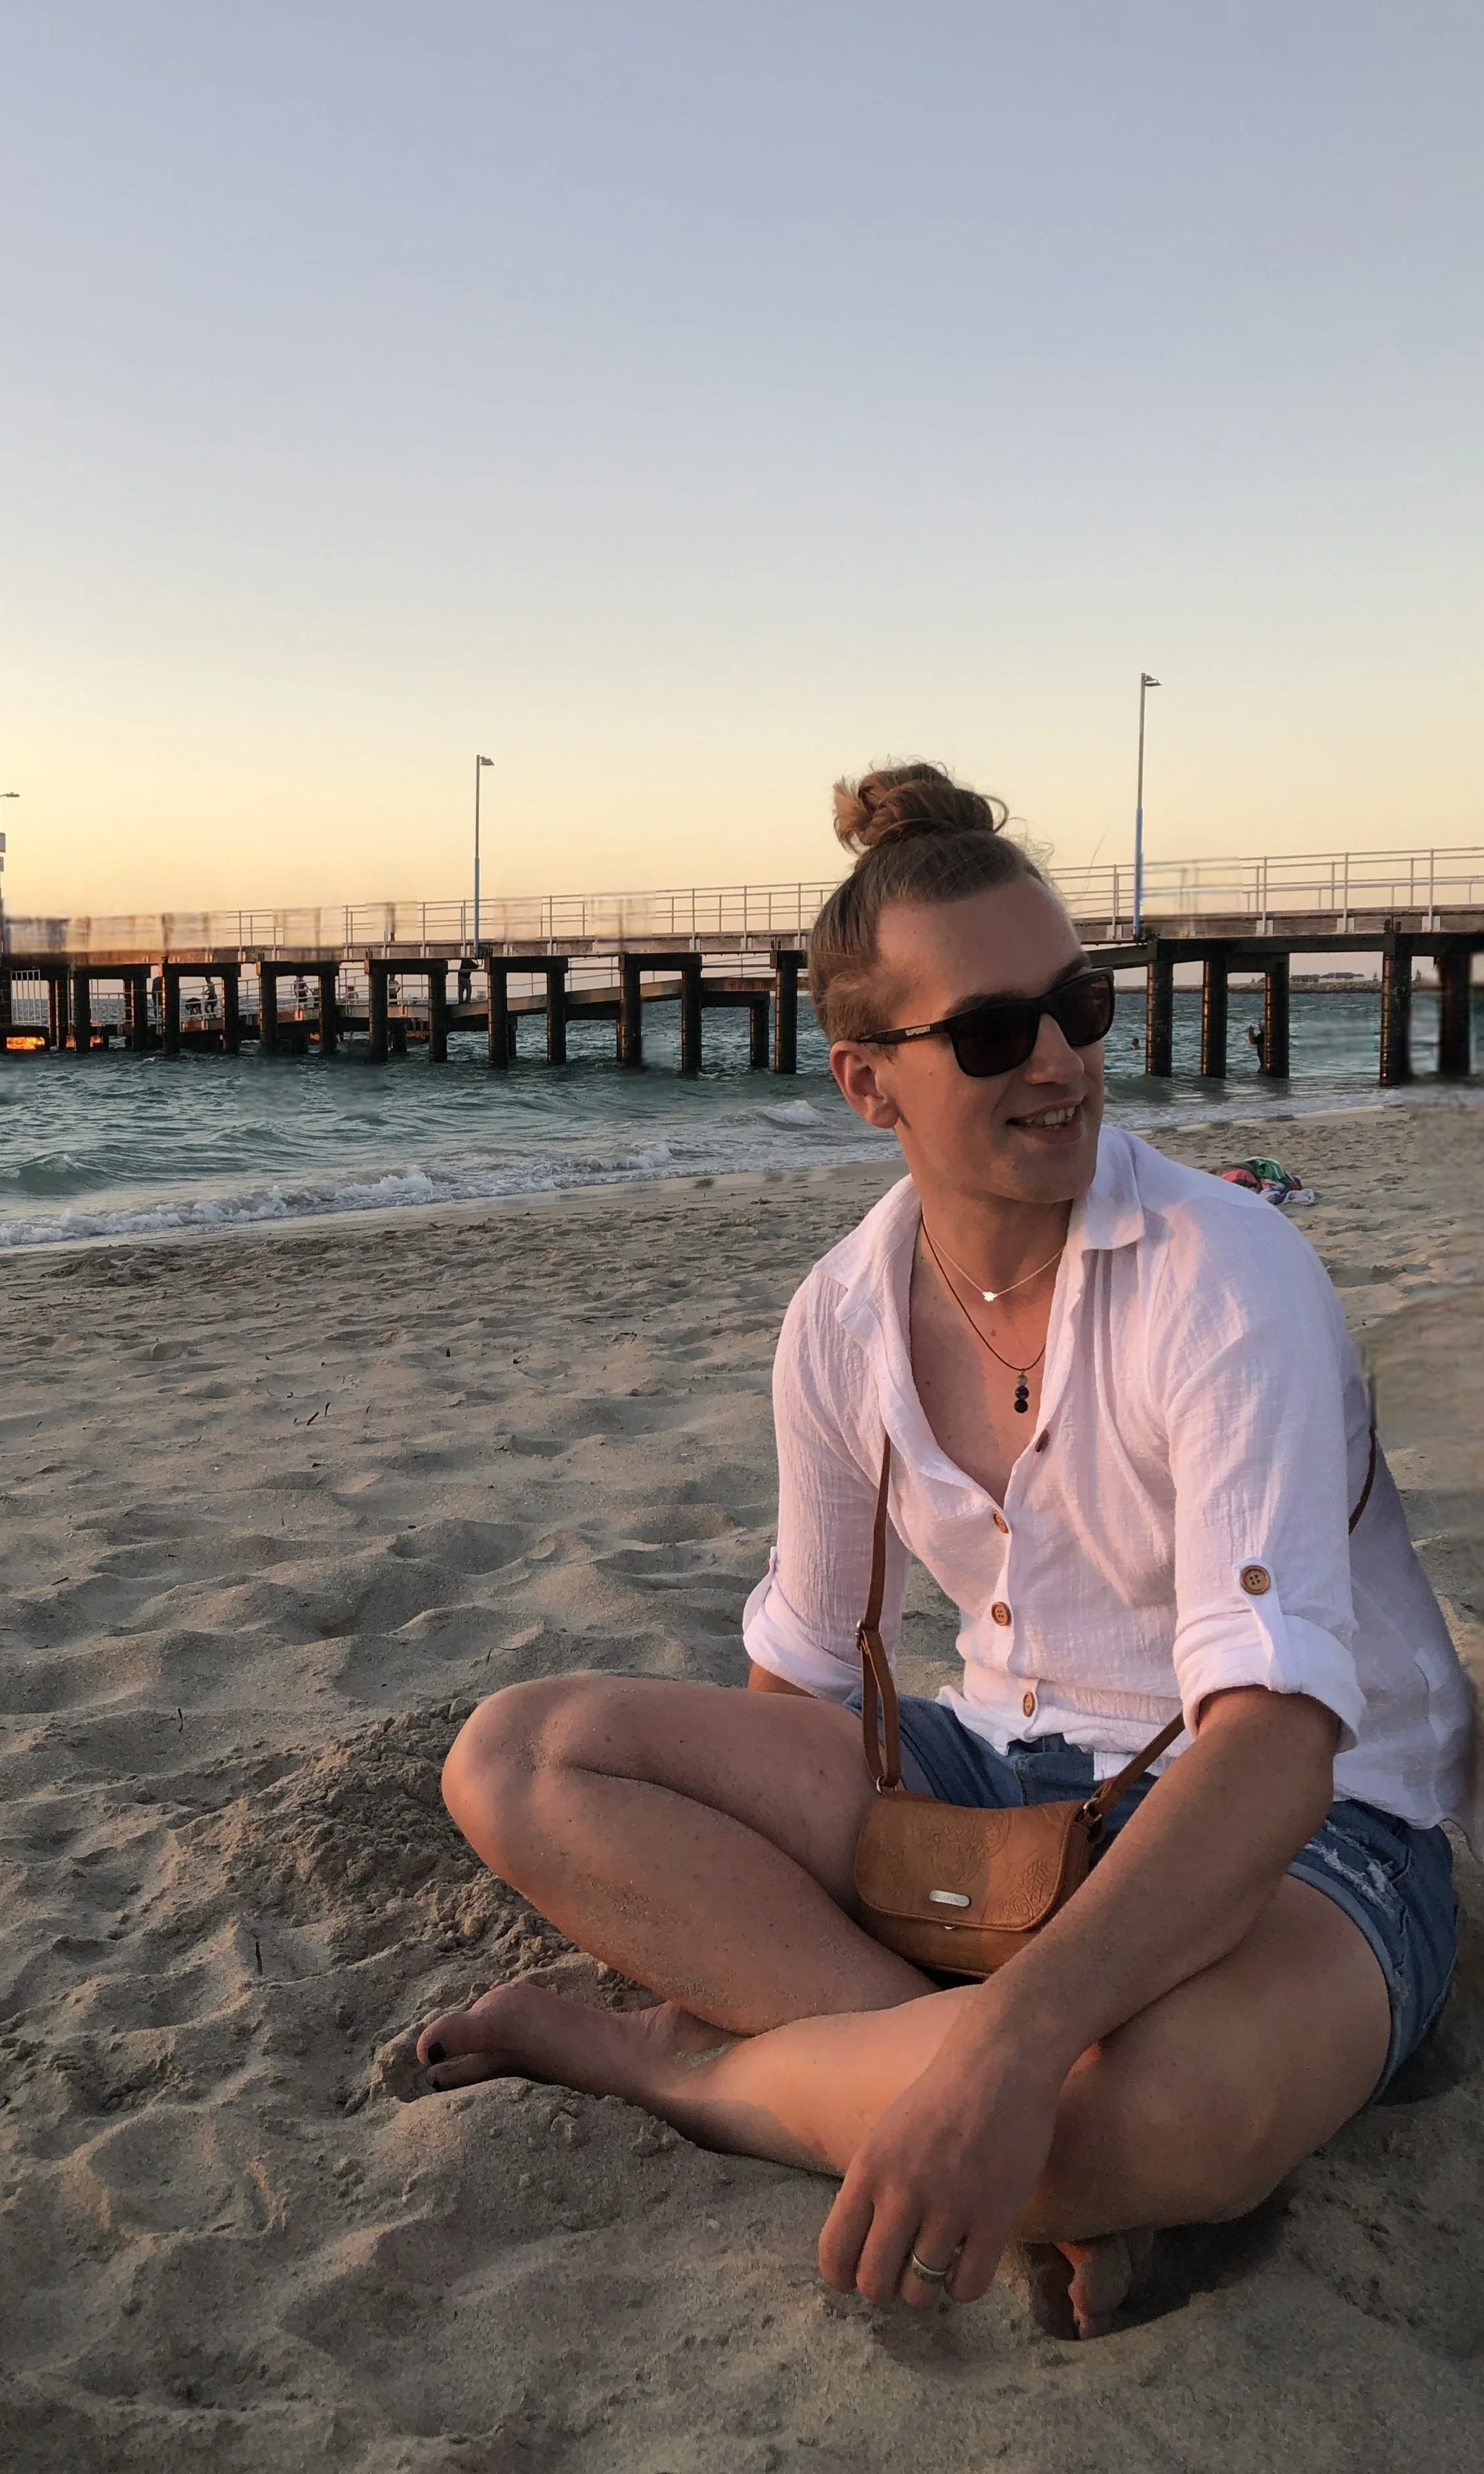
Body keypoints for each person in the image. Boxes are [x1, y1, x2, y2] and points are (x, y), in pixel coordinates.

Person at [415, 765, 1472, 2338]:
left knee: (1170, 2118)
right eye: (993, 1032)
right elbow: (796, 1684)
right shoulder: (841, 1322)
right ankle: (977, 2102)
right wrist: (991, 2041)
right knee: (517, 1759)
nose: (1059, 1058)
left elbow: (1275, 1750)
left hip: (1315, 1830)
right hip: (993, 1784)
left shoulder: (1225, 1274)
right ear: (868, 1081)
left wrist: (1010, 2049)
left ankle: (684, 2065)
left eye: (1080, 1005)